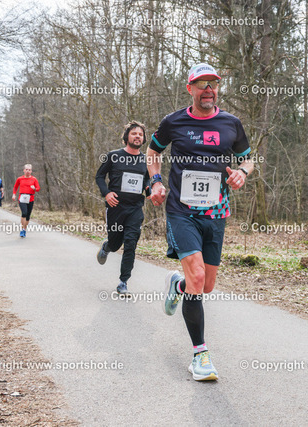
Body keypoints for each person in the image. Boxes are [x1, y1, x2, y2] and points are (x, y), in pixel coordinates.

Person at [147, 63, 254, 381]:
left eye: (213, 84)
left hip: (216, 213)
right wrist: (155, 182)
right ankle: (200, 356)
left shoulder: (231, 123)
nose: (208, 89)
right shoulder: (173, 122)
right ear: (190, 88)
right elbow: (153, 153)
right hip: (181, 211)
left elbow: (248, 158)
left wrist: (242, 172)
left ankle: (176, 285)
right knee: (196, 276)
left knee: (204, 285)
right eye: (202, 83)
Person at [95, 121, 150, 295]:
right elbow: (99, 176)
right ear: (127, 137)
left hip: (135, 208)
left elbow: (148, 179)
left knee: (131, 243)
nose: (137, 136)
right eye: (134, 133)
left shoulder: (146, 160)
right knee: (115, 243)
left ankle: (123, 281)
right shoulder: (113, 156)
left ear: (144, 139)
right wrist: (106, 193)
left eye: (140, 134)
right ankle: (107, 247)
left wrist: (149, 189)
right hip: (116, 207)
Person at [12, 164, 40, 238]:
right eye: (26, 169)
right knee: (24, 213)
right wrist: (14, 194)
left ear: (31, 171)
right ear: (24, 170)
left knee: (28, 215)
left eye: (29, 170)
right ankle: (22, 230)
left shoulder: (34, 179)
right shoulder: (20, 179)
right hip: (22, 197)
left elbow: (38, 188)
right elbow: (15, 187)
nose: (28, 171)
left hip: (30, 198)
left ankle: (24, 229)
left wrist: (34, 189)